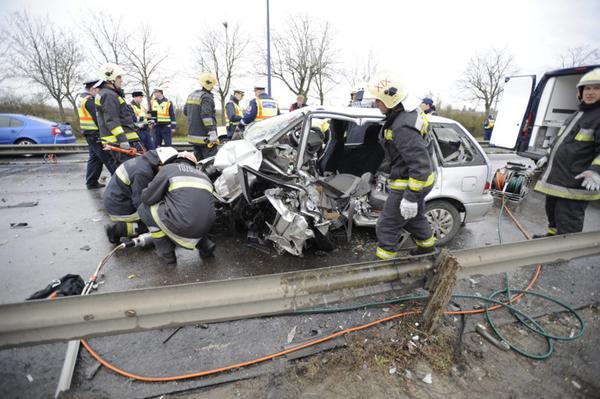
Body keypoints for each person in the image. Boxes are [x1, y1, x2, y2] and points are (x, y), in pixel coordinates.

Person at [367, 70, 437, 259]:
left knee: (388, 224)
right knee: (414, 219)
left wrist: (410, 198)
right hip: (418, 179)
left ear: (391, 101)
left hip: (411, 182)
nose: (376, 104)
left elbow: (420, 166)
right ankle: (428, 250)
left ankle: (381, 267)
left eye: (379, 100)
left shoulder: (402, 127)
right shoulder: (408, 113)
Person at [533, 68, 600, 237]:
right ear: (580, 92)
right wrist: (547, 156)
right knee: (553, 213)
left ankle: (562, 252)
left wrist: (595, 171)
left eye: (596, 88)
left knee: (568, 219)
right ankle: (551, 238)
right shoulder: (578, 113)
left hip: (575, 182)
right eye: (587, 88)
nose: (590, 92)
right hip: (559, 179)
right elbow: (560, 141)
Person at [138, 151, 216, 264]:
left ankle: (166, 254)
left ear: (174, 161)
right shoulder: (205, 177)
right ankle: (205, 245)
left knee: (144, 209)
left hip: (183, 226)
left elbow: (147, 198)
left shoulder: (169, 169)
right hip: (206, 227)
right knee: (192, 211)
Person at [103, 147, 178, 244]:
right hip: (120, 207)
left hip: (116, 199)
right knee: (158, 226)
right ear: (160, 163)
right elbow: (140, 202)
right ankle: (118, 230)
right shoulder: (143, 173)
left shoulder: (144, 160)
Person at [95, 63, 142, 165]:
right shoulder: (109, 95)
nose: (121, 80)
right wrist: (123, 140)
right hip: (119, 141)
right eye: (119, 77)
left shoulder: (108, 94)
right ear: (110, 78)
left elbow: (120, 117)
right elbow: (112, 121)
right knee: (130, 172)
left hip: (119, 141)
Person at [76, 78, 117, 189]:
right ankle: (119, 183)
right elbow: (98, 119)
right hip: (95, 133)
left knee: (95, 158)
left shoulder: (81, 98)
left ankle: (91, 182)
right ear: (93, 89)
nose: (99, 92)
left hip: (89, 133)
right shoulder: (90, 100)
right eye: (98, 89)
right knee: (109, 158)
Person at [184, 72, 219, 160]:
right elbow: (206, 116)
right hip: (205, 137)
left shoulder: (191, 95)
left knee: (198, 161)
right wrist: (212, 132)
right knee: (210, 162)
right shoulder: (206, 97)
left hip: (193, 136)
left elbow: (185, 112)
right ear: (210, 85)